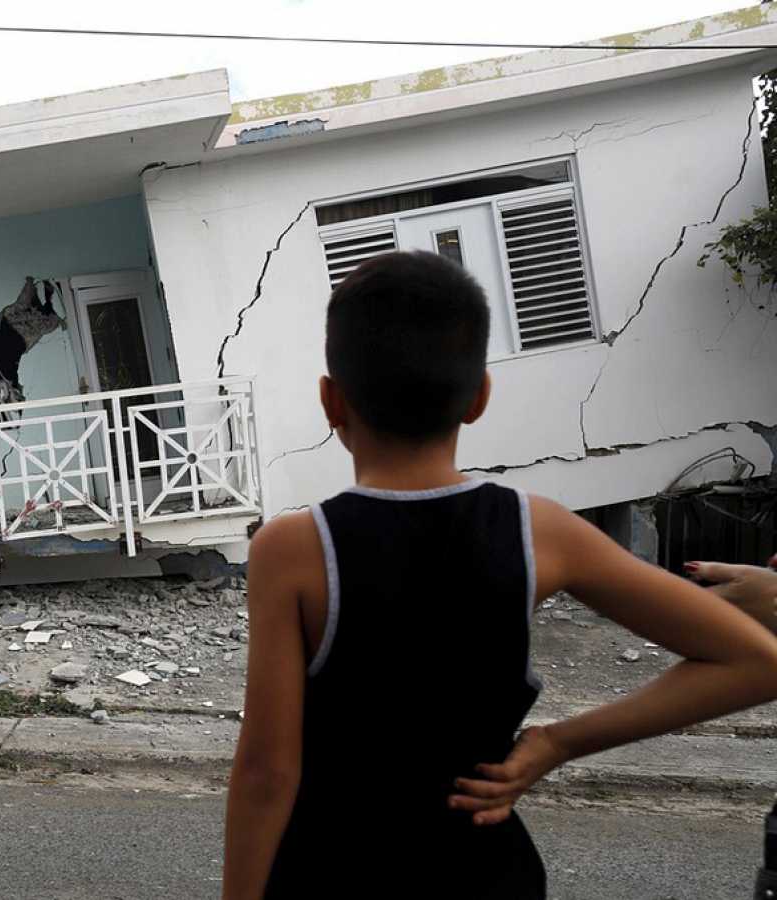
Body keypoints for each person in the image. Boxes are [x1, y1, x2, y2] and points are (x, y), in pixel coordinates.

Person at [221, 251, 777, 900]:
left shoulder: (292, 549)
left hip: (330, 874)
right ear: (479, 397)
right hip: (486, 874)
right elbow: (759, 662)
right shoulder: (537, 530)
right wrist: (558, 742)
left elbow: (267, 772)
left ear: (331, 400)